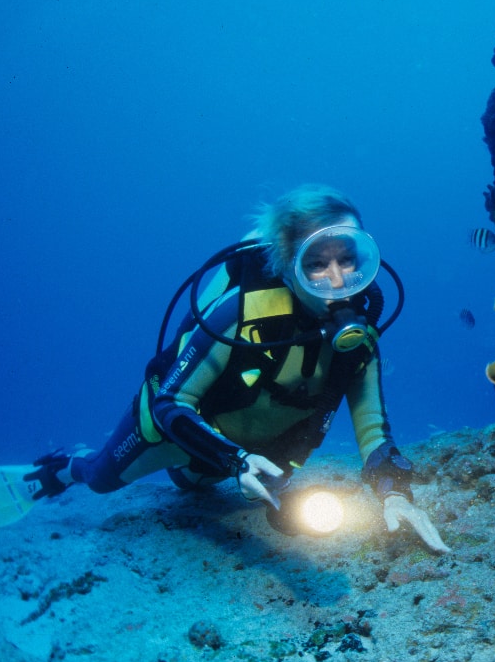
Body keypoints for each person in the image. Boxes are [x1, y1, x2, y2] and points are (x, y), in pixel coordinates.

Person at [24, 184, 449, 552]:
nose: (337, 281)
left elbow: (373, 428)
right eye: (316, 264)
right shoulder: (241, 314)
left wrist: (395, 494)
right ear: (288, 264)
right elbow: (171, 403)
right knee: (101, 479)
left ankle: (201, 471)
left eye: (348, 259)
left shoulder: (359, 338)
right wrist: (236, 461)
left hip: (251, 454)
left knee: (194, 487)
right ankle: (64, 467)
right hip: (183, 432)